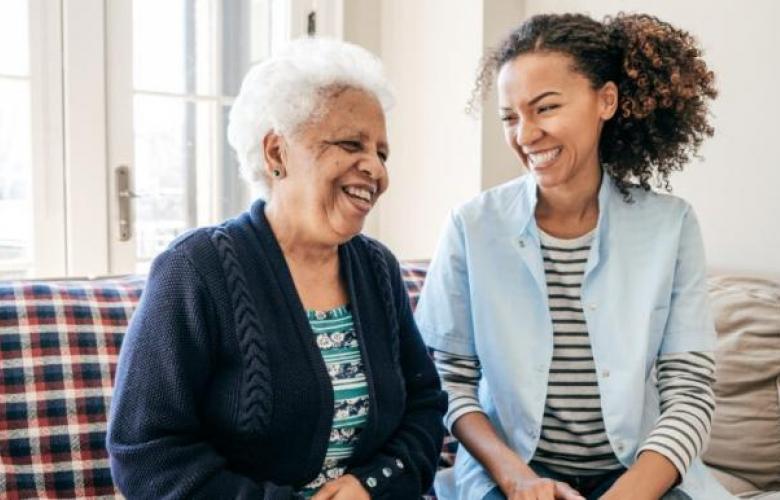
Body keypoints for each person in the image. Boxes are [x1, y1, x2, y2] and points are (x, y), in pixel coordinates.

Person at [107, 37, 447, 500]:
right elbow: (146, 451)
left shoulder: (377, 268)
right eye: (352, 144)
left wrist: (371, 484)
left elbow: (425, 405)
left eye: (382, 153)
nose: (376, 170)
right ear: (276, 153)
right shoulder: (195, 269)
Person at [415, 13, 733, 500]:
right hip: (516, 476)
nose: (524, 135)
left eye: (545, 108)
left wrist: (626, 495)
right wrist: (516, 478)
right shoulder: (471, 226)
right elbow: (448, 380)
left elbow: (688, 392)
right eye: (509, 117)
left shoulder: (671, 226)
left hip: (638, 477)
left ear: (605, 100)